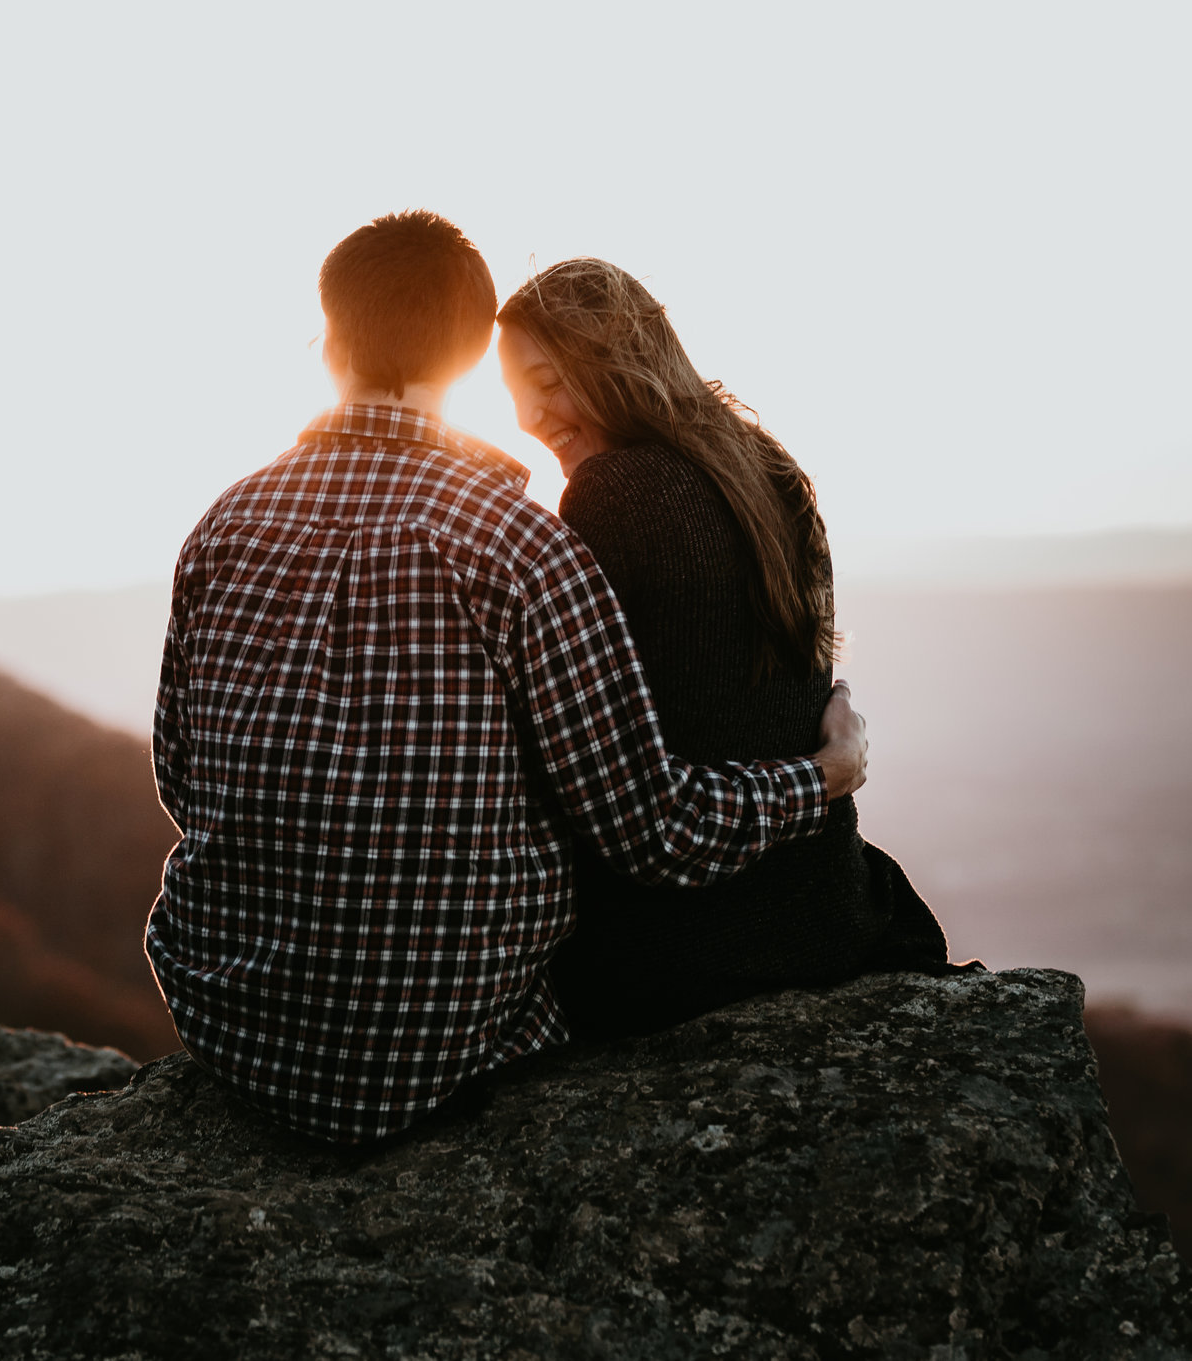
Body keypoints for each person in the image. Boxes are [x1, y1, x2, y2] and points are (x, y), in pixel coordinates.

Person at [144, 210, 869, 1145]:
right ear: (466, 363)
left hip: (231, 1023)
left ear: (327, 342)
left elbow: (180, 774)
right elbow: (649, 828)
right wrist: (820, 779)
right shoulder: (527, 551)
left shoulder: (222, 527)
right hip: (450, 1047)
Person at [496, 257, 964, 1041]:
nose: (527, 416)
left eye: (546, 382)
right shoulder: (767, 467)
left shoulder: (611, 493)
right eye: (512, 395)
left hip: (681, 946)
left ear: (613, 358)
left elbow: (586, 771)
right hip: (827, 910)